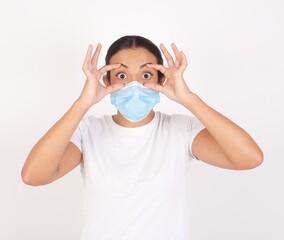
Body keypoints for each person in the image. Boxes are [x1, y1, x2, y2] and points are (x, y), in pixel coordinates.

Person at [21, 35, 263, 240]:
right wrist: (82, 104)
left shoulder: (181, 130)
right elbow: (33, 175)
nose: (134, 85)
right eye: (122, 76)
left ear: (161, 79)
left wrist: (189, 99)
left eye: (146, 75)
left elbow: (249, 158)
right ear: (106, 81)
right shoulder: (88, 131)